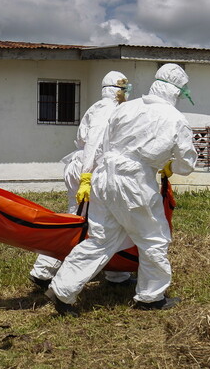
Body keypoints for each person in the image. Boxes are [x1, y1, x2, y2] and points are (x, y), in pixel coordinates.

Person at [45, 63, 198, 316]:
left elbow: (103, 144)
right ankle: (150, 297)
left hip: (104, 177)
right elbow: (186, 164)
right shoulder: (175, 118)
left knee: (100, 239)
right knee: (153, 239)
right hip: (134, 181)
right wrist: (170, 164)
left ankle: (62, 290)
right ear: (177, 91)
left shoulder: (126, 107)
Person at [29, 71, 134, 289]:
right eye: (125, 88)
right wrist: (87, 175)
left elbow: (81, 139)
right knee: (84, 223)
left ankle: (118, 274)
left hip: (86, 167)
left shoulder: (97, 107)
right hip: (92, 169)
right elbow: (94, 142)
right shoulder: (109, 109)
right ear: (118, 89)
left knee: (91, 220)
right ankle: (44, 271)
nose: (127, 92)